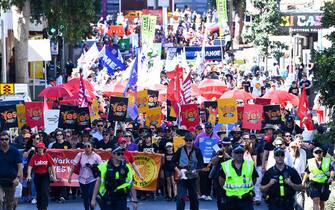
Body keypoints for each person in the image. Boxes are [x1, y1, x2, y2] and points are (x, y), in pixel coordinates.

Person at [219, 144, 258, 210]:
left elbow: (254, 179)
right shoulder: (226, 165)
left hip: (246, 199)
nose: (239, 154)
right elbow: (221, 182)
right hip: (231, 200)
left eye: (241, 152)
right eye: (237, 152)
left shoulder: (250, 164)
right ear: (232, 153)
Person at [172, 132, 204, 210]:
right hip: (182, 177)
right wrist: (178, 171)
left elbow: (201, 163)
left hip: (193, 177)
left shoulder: (197, 150)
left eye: (190, 140)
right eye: (186, 140)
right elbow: (172, 162)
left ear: (193, 140)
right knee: (180, 198)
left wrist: (196, 170)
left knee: (194, 198)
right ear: (184, 141)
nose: (188, 142)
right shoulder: (180, 150)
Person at [68, 141, 102, 210]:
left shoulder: (96, 156)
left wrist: (93, 166)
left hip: (92, 178)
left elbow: (102, 167)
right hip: (82, 178)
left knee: (90, 195)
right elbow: (74, 165)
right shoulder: (80, 155)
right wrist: (70, 176)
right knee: (85, 196)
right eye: (85, 146)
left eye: (88, 146)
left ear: (92, 147)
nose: (87, 148)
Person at [27, 142, 57, 210]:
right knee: (39, 192)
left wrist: (54, 176)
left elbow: (52, 166)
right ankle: (39, 206)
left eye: (41, 148)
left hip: (45, 175)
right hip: (37, 175)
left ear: (44, 149)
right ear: (37, 149)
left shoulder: (47, 156)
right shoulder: (34, 156)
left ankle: (44, 207)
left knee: (44, 191)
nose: (40, 149)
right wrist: (29, 175)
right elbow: (30, 166)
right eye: (38, 148)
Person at [194, 122, 219, 200]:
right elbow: (195, 147)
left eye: (209, 128)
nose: (208, 129)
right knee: (202, 177)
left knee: (209, 177)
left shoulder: (216, 137)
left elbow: (218, 149)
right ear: (205, 128)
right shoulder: (199, 136)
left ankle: (208, 194)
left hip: (211, 160)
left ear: (212, 128)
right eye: (207, 128)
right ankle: (203, 194)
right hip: (202, 160)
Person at [0, 130, 23, 210]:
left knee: (10, 204)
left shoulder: (14, 151)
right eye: (2, 139)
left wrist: (18, 178)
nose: (4, 141)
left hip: (11, 181)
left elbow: (20, 166)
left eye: (6, 139)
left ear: (9, 140)